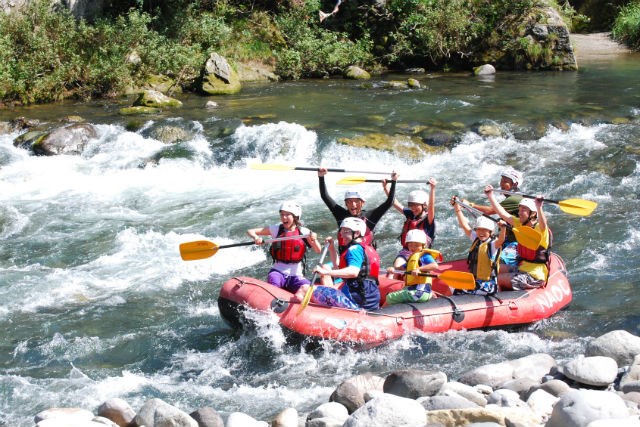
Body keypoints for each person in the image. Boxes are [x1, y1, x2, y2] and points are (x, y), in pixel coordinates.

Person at [247, 201, 322, 297]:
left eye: (287, 215)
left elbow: (318, 250)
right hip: (278, 272)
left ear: (295, 217)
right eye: (282, 215)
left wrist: (314, 240)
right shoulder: (276, 229)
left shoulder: (304, 232)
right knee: (273, 282)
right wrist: (256, 238)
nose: (284, 218)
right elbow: (251, 231)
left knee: (310, 291)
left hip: (296, 275)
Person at [484, 185, 551, 291]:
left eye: (523, 210)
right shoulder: (519, 223)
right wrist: (490, 195)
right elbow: (502, 213)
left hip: (535, 276)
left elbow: (544, 224)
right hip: (521, 268)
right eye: (519, 209)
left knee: (496, 279)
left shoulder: (539, 228)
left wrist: (539, 207)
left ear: (533, 214)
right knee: (490, 269)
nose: (519, 212)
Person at [306, 217, 381, 310]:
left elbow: (353, 272)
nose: (341, 235)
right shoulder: (368, 248)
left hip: (355, 302)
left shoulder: (354, 249)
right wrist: (332, 248)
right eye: (341, 232)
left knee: (304, 290)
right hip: (371, 302)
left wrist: (325, 272)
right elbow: (339, 266)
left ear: (357, 233)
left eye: (346, 232)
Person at [318, 167, 398, 248]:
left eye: (356, 201)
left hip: (365, 258)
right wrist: (321, 177)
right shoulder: (341, 215)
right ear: (346, 203)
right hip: (346, 257)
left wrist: (394, 181)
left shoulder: (370, 216)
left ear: (362, 203)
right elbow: (325, 196)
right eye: (349, 201)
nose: (353, 204)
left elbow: (389, 202)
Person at [452, 200, 507, 295]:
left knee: (458, 291)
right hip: (475, 281)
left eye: (484, 230)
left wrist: (503, 229)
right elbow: (465, 226)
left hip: (488, 285)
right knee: (452, 288)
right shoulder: (476, 239)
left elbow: (501, 240)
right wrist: (457, 209)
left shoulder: (493, 244)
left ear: (491, 232)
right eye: (478, 230)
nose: (481, 233)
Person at [383, 178, 436, 275]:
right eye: (411, 205)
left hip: (421, 252)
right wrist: (386, 188)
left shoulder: (428, 219)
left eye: (416, 205)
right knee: (396, 267)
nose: (413, 208)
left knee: (411, 268)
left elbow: (432, 206)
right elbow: (395, 203)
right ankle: (394, 283)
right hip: (407, 251)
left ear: (424, 205)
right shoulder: (411, 214)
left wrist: (432, 189)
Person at [384, 229, 439, 304]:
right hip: (413, 289)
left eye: (416, 245)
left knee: (390, 297)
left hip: (419, 292)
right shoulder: (412, 257)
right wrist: (392, 269)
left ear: (424, 245)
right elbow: (401, 268)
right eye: (410, 245)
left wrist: (418, 269)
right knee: (393, 294)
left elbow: (435, 265)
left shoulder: (424, 255)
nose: (413, 248)